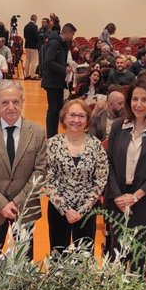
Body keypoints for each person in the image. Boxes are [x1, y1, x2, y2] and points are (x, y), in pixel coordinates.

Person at [0, 80, 46, 256]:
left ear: (22, 101)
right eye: (5, 102)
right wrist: (1, 204)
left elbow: (40, 171)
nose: (11, 107)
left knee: (25, 261)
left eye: (15, 101)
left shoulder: (38, 132)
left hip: (25, 208)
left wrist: (16, 202)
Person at [105, 79, 146, 266]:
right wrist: (119, 197)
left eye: (144, 100)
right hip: (117, 197)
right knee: (115, 252)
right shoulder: (119, 126)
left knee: (138, 256)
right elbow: (108, 163)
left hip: (143, 199)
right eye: (135, 99)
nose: (138, 105)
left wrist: (134, 197)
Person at [46, 99, 108, 251]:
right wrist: (65, 209)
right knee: (58, 255)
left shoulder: (96, 145)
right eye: (72, 115)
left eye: (81, 116)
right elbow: (47, 179)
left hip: (86, 211)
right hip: (58, 209)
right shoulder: (52, 143)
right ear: (64, 118)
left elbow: (101, 179)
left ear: (87, 120)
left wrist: (83, 209)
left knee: (84, 258)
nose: (76, 120)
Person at [42, 22, 77, 138]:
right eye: (72, 34)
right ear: (66, 33)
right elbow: (49, 61)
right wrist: (64, 69)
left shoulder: (62, 44)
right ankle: (50, 135)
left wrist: (66, 65)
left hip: (58, 81)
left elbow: (57, 60)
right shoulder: (54, 43)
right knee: (52, 109)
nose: (72, 37)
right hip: (52, 81)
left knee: (57, 108)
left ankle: (54, 133)